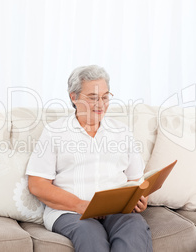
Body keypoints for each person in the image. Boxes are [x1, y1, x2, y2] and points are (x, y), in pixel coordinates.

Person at [26, 65, 153, 252]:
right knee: (89, 233)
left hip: (116, 211)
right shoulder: (55, 132)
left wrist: (141, 198)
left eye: (105, 97)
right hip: (70, 212)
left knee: (134, 228)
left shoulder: (121, 132)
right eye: (93, 98)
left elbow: (136, 179)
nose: (100, 104)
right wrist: (80, 205)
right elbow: (37, 184)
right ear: (73, 97)